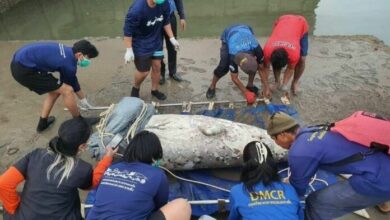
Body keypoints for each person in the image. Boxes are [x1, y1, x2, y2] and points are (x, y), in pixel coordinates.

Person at [266, 112, 390, 220]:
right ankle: (382, 201)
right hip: (382, 158)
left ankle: (378, 195)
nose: (276, 143)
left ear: (283, 135)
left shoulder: (298, 152)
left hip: (378, 180)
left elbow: (298, 188)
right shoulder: (314, 129)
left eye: (274, 139)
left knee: (316, 203)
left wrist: (290, 182)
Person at [0, 118, 117, 219]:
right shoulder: (82, 169)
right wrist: (107, 159)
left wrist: (14, 209)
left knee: (20, 196)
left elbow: (4, 183)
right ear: (82, 146)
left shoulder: (36, 154)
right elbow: (92, 184)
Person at [87, 130, 191, 220]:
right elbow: (161, 205)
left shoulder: (112, 168)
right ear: (154, 155)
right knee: (182, 205)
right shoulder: (157, 175)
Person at [10, 40, 100, 132]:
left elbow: (70, 79)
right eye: (88, 58)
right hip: (25, 69)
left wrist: (83, 99)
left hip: (20, 59)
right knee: (67, 90)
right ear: (80, 55)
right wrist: (82, 99)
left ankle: (42, 123)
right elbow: (72, 82)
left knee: (56, 90)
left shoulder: (67, 51)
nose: (88, 61)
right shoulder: (68, 64)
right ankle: (79, 121)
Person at [228, 141, 303, 220]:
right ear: (272, 164)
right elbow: (300, 217)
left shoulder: (237, 191)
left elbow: (233, 218)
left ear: (246, 166)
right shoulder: (289, 189)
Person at [124, 0, 180, 101]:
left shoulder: (164, 3)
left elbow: (166, 22)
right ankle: (135, 88)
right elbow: (128, 31)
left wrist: (172, 38)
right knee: (143, 71)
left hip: (156, 40)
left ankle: (154, 90)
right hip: (141, 43)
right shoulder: (136, 10)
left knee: (157, 66)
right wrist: (129, 50)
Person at [206, 24, 264, 105]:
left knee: (252, 66)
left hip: (245, 30)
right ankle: (212, 86)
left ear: (254, 57)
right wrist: (246, 93)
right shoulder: (233, 54)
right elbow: (234, 77)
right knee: (223, 67)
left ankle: (250, 85)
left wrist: (267, 87)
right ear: (239, 65)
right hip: (229, 35)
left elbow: (261, 67)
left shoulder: (256, 48)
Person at [261, 15, 309, 97]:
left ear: (288, 59)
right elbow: (265, 68)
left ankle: (295, 82)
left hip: (300, 23)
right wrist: (266, 87)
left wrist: (285, 84)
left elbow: (290, 68)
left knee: (302, 59)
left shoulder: (294, 54)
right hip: (282, 20)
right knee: (276, 64)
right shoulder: (267, 50)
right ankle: (277, 82)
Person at [159, 0, 186, 85]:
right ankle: (160, 72)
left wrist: (182, 17)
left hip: (170, 17)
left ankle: (173, 71)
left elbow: (178, 1)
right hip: (156, 18)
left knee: (172, 45)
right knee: (157, 47)